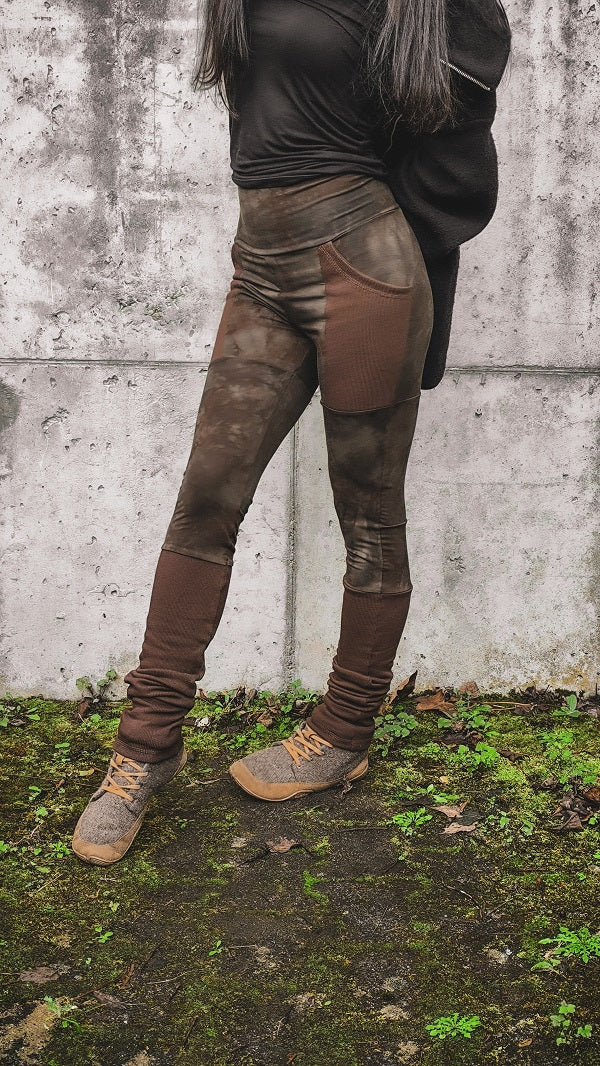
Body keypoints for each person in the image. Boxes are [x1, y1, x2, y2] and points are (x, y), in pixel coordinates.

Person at [71, 0, 511, 865]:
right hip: (261, 268)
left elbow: (458, 117)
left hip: (365, 269)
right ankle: (145, 748)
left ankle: (344, 731)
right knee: (206, 500)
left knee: (370, 518)